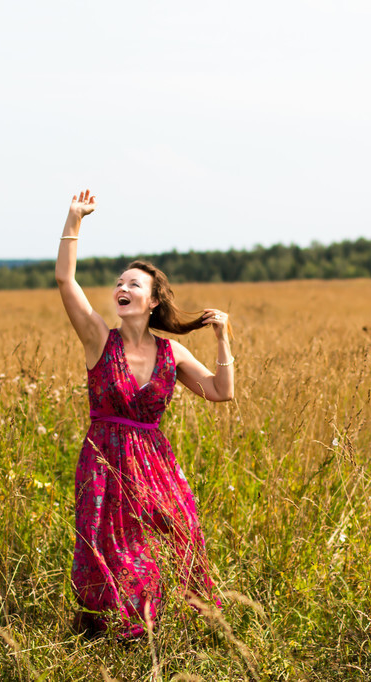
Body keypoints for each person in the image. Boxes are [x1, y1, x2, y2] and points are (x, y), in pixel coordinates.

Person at [55, 189, 233, 638]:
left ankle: (180, 623)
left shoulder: (172, 351)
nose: (122, 288)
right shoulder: (99, 338)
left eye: (134, 284)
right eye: (119, 282)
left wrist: (222, 338)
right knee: (109, 548)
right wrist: (74, 221)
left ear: (153, 300)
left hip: (154, 463)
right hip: (104, 460)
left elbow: (219, 392)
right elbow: (65, 283)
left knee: (183, 530)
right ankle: (108, 632)